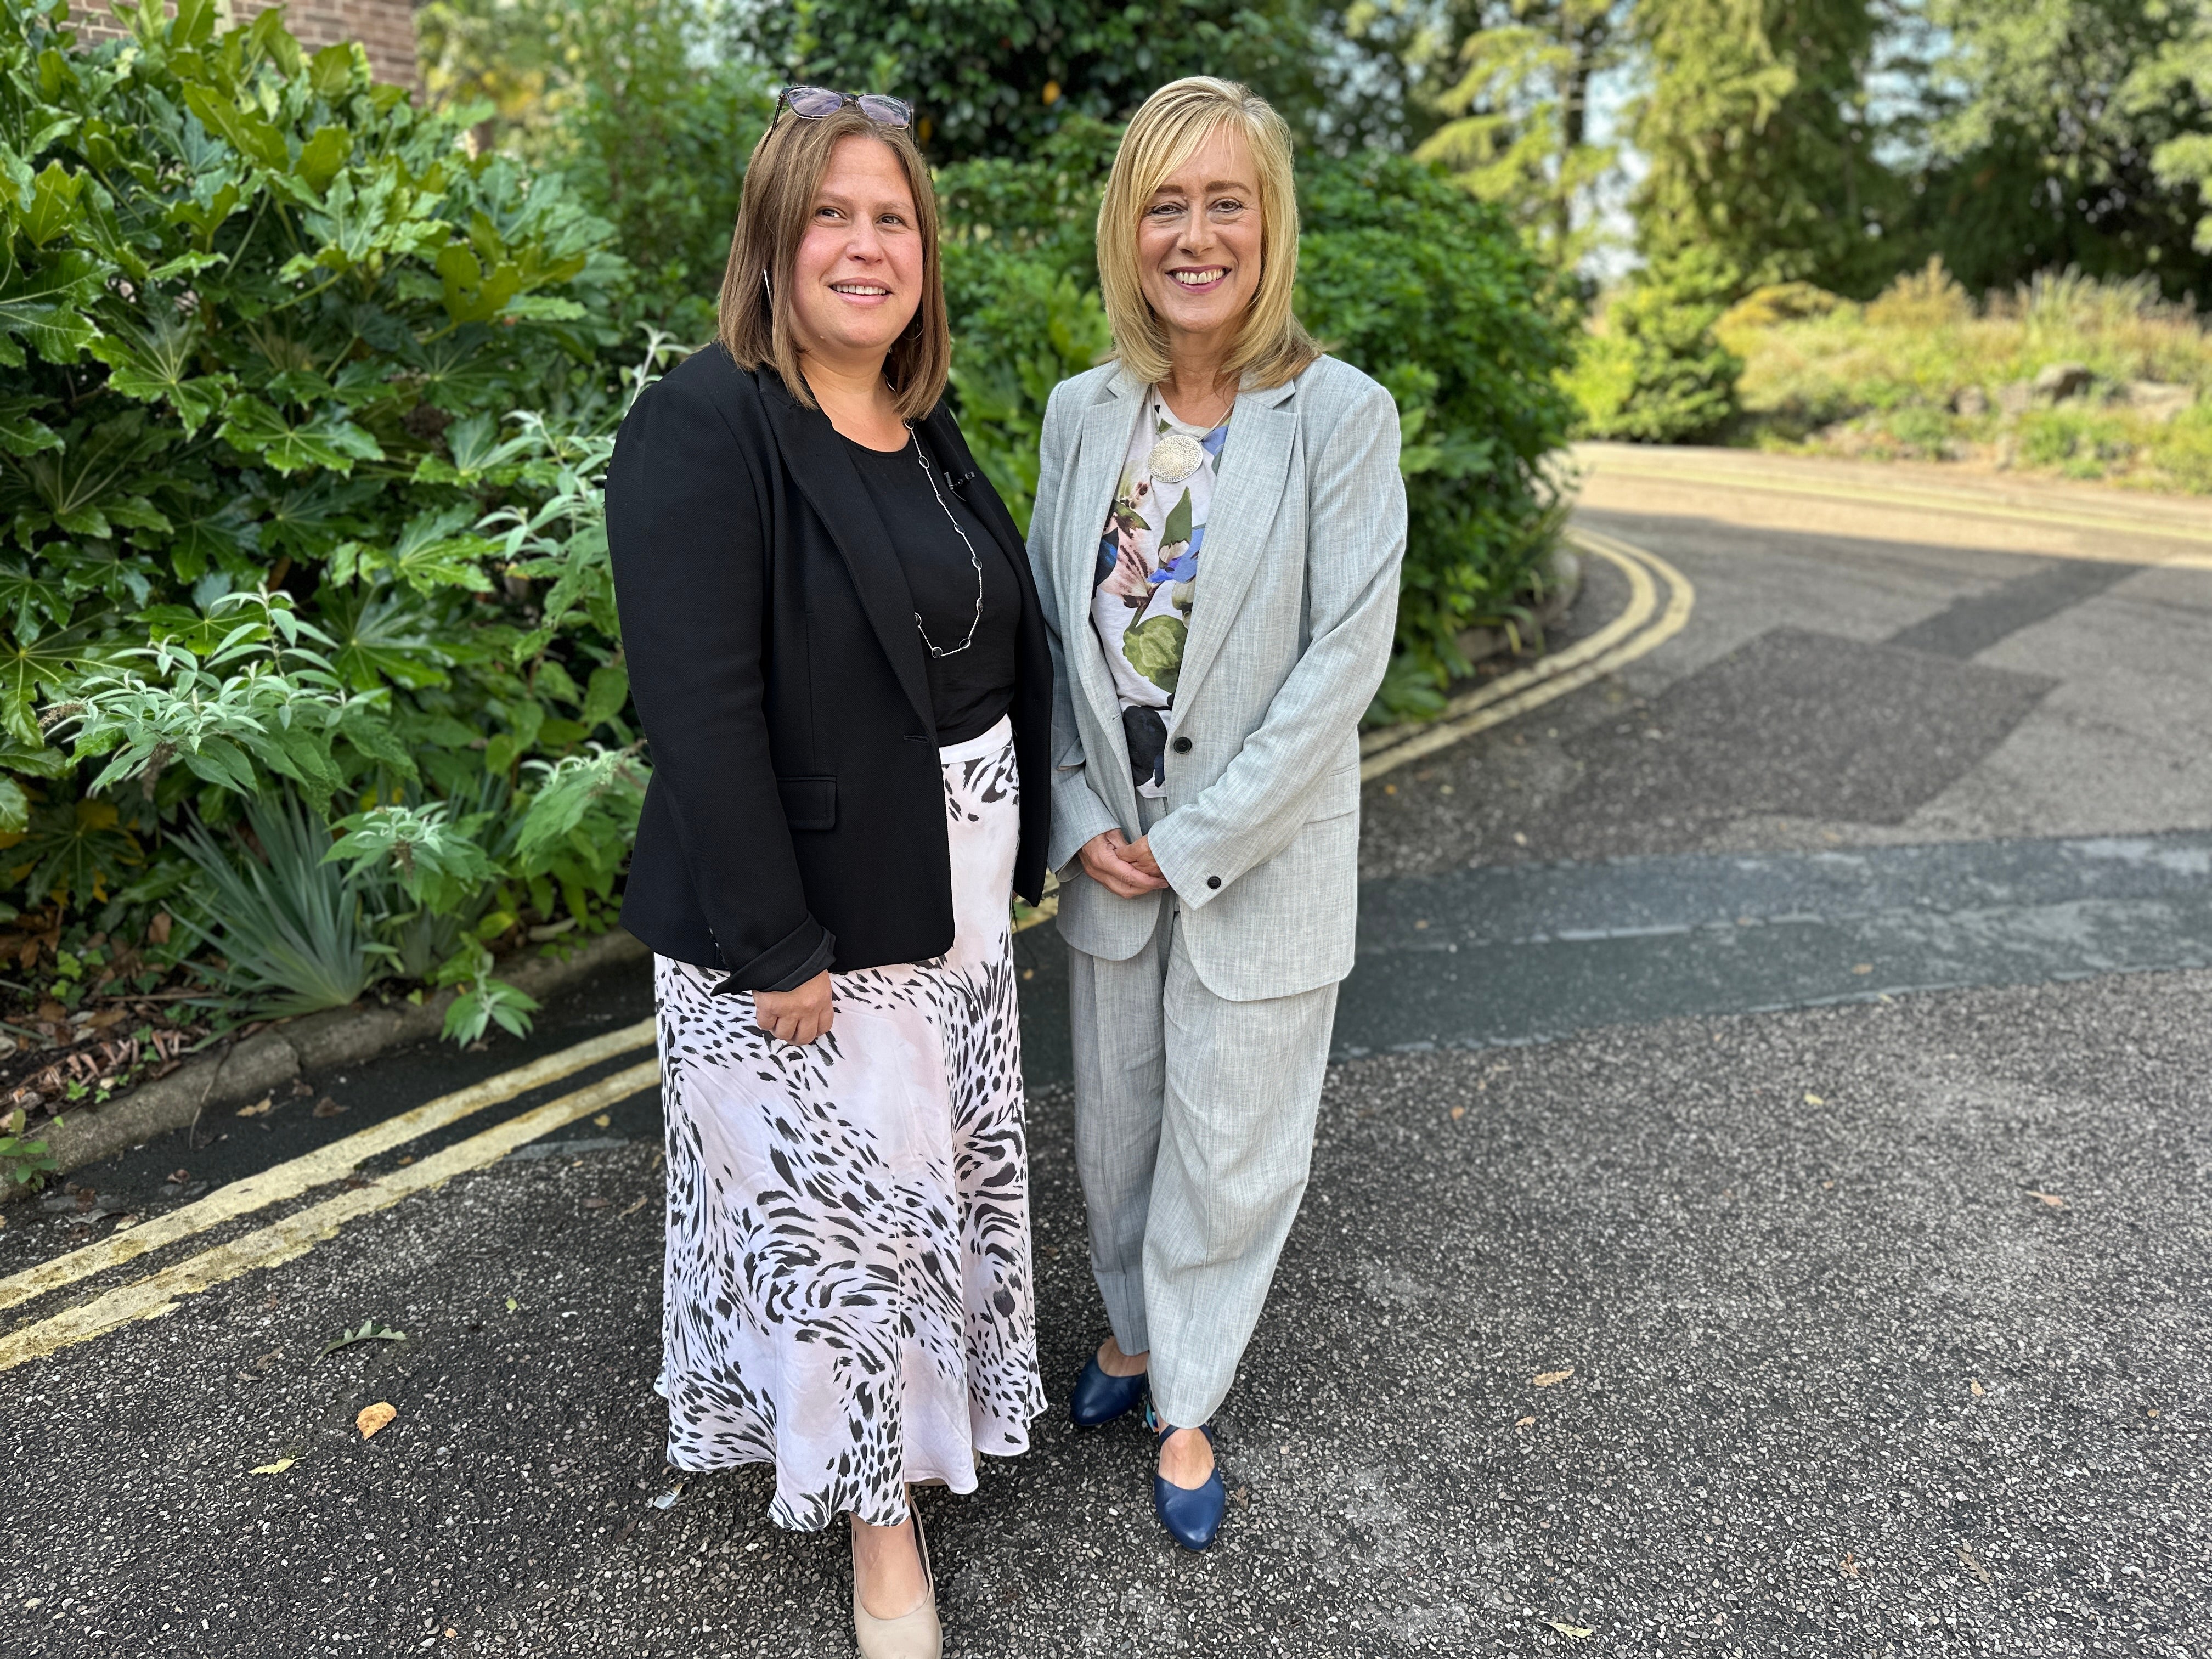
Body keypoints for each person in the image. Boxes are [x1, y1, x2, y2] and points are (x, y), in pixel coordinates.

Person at [605, 86, 1053, 1658]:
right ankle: (883, 1540)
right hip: (802, 925)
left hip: (953, 906)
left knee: (927, 1201)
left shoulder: (920, 423)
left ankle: (933, 1448)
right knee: (851, 1243)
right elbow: (701, 708)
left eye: (894, 219)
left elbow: (982, 652)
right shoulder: (705, 419)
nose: (867, 246)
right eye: (833, 217)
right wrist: (776, 940)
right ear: (773, 240)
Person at [1025, 76, 1409, 1552]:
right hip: (1107, 851)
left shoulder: (1341, 417)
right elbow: (1051, 636)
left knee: (1231, 1143)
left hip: (1253, 860)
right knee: (1119, 1131)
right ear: (1129, 232)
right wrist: (1071, 810)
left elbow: (1341, 667)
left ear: (1271, 224)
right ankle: (1129, 1333)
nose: (1195, 235)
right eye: (1165, 205)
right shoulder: (1082, 413)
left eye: (1224, 202)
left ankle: (1184, 1391)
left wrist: (1191, 840)